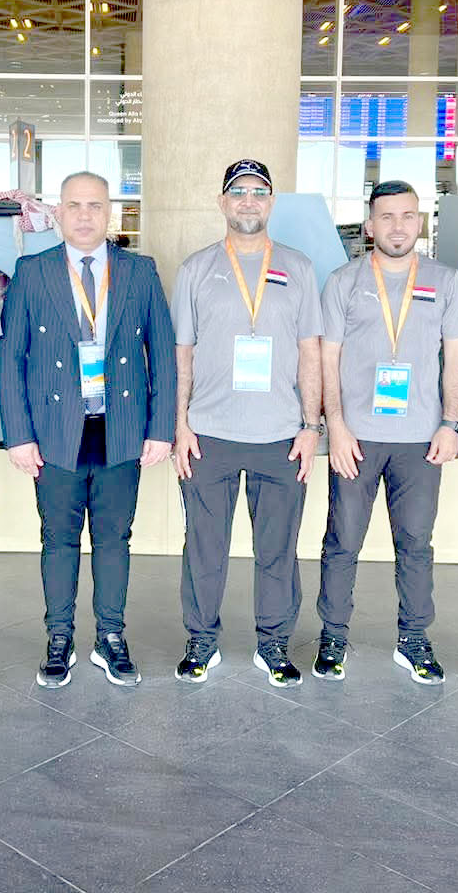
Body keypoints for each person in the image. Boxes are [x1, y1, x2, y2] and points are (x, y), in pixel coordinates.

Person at [0, 171, 176, 688]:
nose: (83, 215)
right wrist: (19, 435)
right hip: (55, 433)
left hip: (121, 427)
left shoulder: (140, 271)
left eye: (95, 205)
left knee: (114, 539)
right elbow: (11, 357)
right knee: (58, 539)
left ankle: (110, 637)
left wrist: (161, 428)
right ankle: (59, 636)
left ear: (109, 212)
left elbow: (163, 354)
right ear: (58, 212)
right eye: (73, 205)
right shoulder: (32, 271)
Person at [314, 180, 458, 684]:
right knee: (343, 541)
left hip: (421, 440)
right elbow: (327, 357)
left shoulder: (445, 280)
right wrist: (336, 427)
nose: (398, 226)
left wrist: (451, 423)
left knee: (416, 544)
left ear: (420, 222)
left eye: (407, 215)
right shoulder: (344, 281)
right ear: (370, 225)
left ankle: (414, 638)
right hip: (356, 439)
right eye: (386, 216)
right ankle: (332, 636)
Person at [171, 159, 323, 687]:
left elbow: (310, 352)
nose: (248, 201)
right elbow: (183, 353)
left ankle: (274, 643)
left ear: (271, 202)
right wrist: (180, 425)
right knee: (204, 547)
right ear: (222, 202)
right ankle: (201, 640)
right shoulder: (196, 269)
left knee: (277, 549)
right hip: (209, 434)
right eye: (238, 191)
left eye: (259, 192)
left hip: (280, 436)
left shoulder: (298, 268)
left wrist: (311, 426)